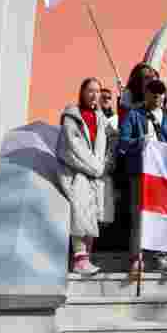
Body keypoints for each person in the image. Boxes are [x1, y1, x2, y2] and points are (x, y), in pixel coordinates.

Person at [117, 79, 167, 280]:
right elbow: (123, 142)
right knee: (139, 215)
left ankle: (161, 257)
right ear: (145, 95)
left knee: (161, 216)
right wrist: (140, 142)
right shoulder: (134, 115)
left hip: (161, 175)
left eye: (160, 93)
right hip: (140, 172)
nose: (157, 96)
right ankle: (137, 258)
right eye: (153, 93)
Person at [56, 78, 117, 277]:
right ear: (82, 92)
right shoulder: (71, 117)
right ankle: (79, 259)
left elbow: (114, 140)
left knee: (93, 216)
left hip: (97, 175)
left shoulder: (102, 119)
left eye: (97, 91)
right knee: (80, 213)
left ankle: (87, 258)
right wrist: (95, 168)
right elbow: (73, 148)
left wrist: (107, 163)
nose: (94, 95)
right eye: (90, 91)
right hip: (77, 173)